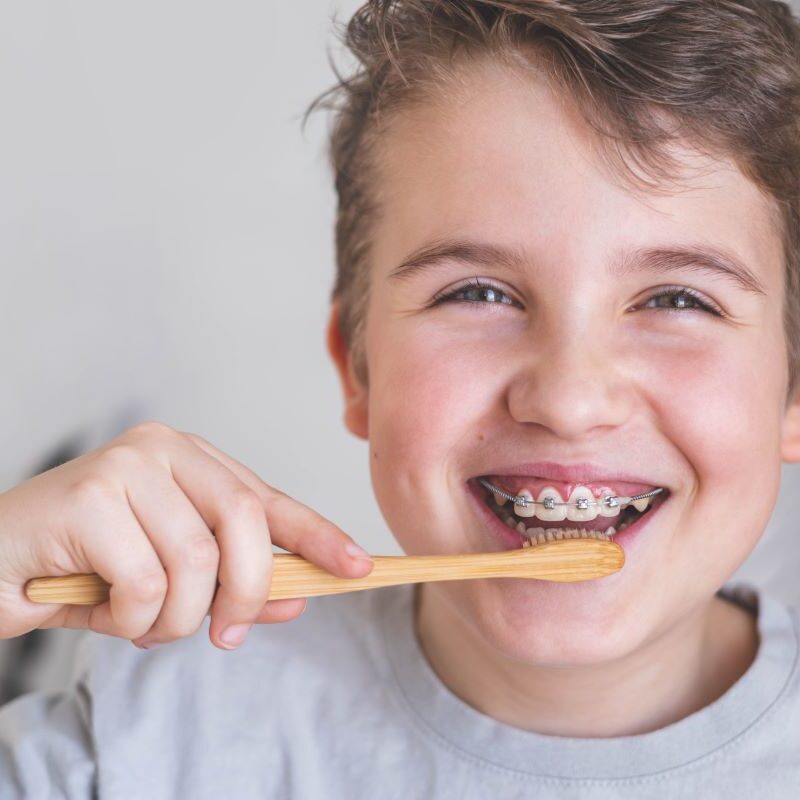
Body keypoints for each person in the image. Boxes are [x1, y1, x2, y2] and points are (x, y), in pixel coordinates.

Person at [1, 0, 800, 796]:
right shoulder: (159, 733)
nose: (569, 398)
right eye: (480, 292)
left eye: (678, 301)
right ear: (359, 365)